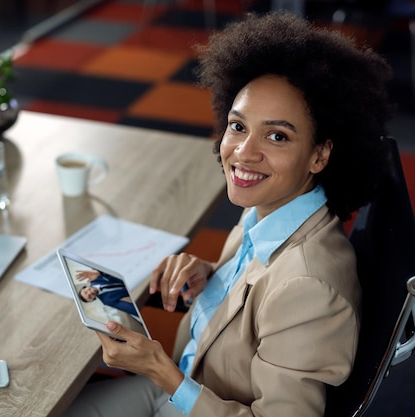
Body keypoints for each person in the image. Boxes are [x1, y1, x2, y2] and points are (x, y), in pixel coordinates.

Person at [64, 10, 393, 417]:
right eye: (238, 126)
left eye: (277, 136)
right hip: (185, 388)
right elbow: (258, 292)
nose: (243, 152)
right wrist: (212, 275)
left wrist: (161, 373)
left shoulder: (308, 289)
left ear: (320, 154)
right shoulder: (272, 210)